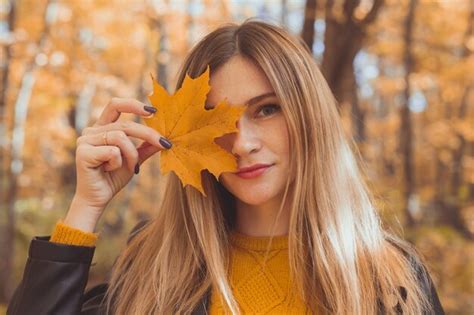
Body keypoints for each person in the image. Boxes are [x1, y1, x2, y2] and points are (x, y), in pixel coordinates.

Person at [7, 19, 444, 315]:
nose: (242, 144)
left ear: (311, 116)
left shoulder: (389, 276)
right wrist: (85, 207)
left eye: (267, 109)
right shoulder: (151, 268)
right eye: (216, 120)